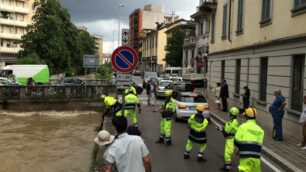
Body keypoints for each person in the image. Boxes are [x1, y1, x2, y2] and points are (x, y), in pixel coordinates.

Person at [234, 107, 264, 172]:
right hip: (256, 158)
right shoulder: (261, 130)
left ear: (246, 116)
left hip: (245, 156)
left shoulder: (242, 127)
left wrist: (241, 147)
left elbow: (236, 141)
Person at [217, 107, 240, 171]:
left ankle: (227, 168)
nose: (229, 114)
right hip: (232, 140)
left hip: (230, 140)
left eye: (230, 113)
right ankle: (227, 166)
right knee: (229, 154)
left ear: (232, 114)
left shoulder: (232, 123)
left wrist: (221, 129)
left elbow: (226, 133)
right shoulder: (234, 121)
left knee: (227, 154)